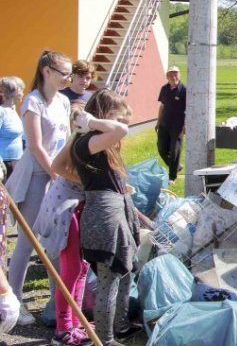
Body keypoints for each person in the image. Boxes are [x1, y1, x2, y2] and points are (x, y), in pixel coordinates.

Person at [5, 50, 72, 326]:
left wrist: (67, 171)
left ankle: (58, 300)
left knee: (54, 240)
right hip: (35, 176)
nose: (68, 78)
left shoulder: (64, 102)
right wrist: (55, 173)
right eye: (64, 73)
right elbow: (35, 145)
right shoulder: (33, 102)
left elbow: (65, 141)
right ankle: (14, 302)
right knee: (27, 241)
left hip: (56, 175)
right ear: (47, 72)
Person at [71, 89, 139, 346]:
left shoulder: (100, 142)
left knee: (126, 270)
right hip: (104, 215)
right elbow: (121, 130)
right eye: (116, 116)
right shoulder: (86, 141)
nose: (122, 122)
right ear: (102, 115)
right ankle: (105, 339)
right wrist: (91, 121)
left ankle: (120, 326)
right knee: (109, 277)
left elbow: (121, 130)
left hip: (116, 208)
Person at [35, 104, 92, 345]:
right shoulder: (78, 142)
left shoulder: (89, 140)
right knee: (69, 271)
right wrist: (90, 182)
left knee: (82, 268)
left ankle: (75, 321)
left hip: (75, 207)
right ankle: (63, 329)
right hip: (63, 210)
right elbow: (58, 168)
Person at [155, 66, 186, 182]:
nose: (174, 77)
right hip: (164, 123)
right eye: (171, 75)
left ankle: (172, 176)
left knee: (175, 151)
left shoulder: (184, 90)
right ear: (167, 77)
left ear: (179, 75)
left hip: (177, 125)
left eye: (176, 74)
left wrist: (185, 124)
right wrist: (158, 121)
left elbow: (189, 109)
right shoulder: (164, 89)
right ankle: (176, 167)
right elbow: (162, 106)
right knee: (161, 148)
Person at [0, 76, 25, 180]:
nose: (23, 93)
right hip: (4, 164)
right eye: (21, 90)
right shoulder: (1, 111)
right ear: (15, 93)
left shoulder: (12, 109)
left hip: (16, 163)